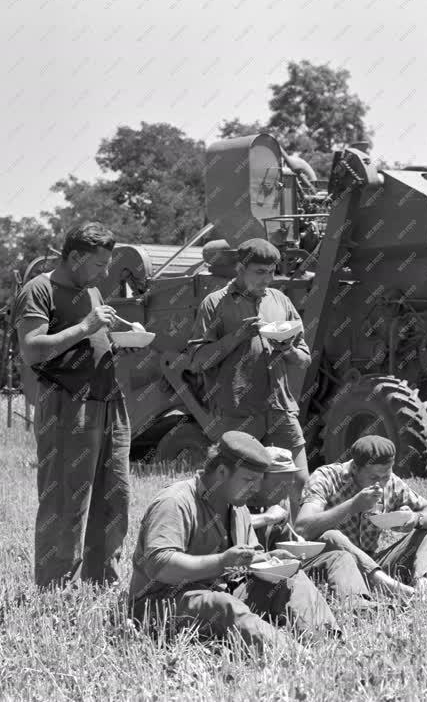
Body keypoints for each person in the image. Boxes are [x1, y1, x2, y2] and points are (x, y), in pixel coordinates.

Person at [128, 431, 340, 655]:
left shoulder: (237, 506)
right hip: (162, 604)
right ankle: (295, 656)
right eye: (249, 480)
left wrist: (269, 559)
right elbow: (158, 564)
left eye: (259, 481)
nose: (256, 489)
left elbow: (249, 558)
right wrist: (221, 562)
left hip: (222, 592)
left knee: (292, 580)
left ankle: (329, 643)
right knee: (222, 606)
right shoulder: (175, 501)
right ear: (221, 472)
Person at [14, 221, 133, 589]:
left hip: (108, 401)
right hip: (68, 405)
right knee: (66, 500)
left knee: (115, 496)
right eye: (99, 264)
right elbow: (32, 349)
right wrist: (86, 327)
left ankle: (101, 581)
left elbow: (89, 336)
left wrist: (115, 339)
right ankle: (55, 588)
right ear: (76, 257)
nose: (105, 271)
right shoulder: (39, 290)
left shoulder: (92, 290)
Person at [189, 238, 311, 518]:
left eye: (272, 272)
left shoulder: (281, 301)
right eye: (260, 272)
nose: (267, 279)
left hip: (280, 408)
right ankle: (236, 546)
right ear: (241, 268)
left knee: (299, 481)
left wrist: (287, 348)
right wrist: (237, 337)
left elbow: (304, 359)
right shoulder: (215, 303)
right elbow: (197, 361)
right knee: (239, 490)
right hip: (238, 412)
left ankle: (298, 546)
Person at [295, 435, 427, 600]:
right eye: (374, 478)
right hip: (336, 565)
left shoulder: (391, 483)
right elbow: (302, 529)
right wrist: (351, 506)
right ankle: (398, 590)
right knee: (331, 536)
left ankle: (423, 592)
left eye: (386, 476)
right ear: (354, 468)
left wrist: (415, 518)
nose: (381, 483)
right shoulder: (326, 477)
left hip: (372, 561)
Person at [247, 447, 382, 609]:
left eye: (289, 485)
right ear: (259, 479)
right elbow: (230, 525)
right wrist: (267, 518)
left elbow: (284, 543)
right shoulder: (239, 500)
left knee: (339, 557)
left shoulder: (280, 502)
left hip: (279, 568)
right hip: (251, 576)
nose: (286, 492)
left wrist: (297, 547)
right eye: (280, 485)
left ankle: (357, 603)